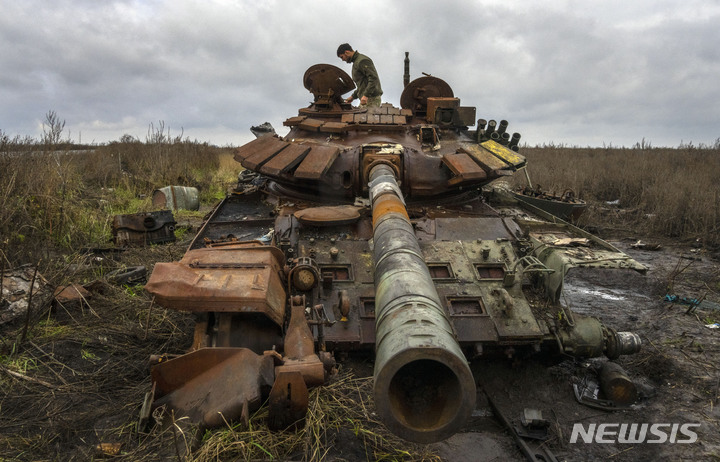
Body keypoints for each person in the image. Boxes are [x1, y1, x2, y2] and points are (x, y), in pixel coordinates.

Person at [336, 43, 383, 107]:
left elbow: (373, 78)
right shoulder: (356, 62)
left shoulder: (362, 61)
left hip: (371, 99)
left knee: (363, 117)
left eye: (342, 57)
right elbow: (362, 85)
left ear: (346, 52)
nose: (343, 60)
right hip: (367, 99)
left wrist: (366, 95)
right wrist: (353, 96)